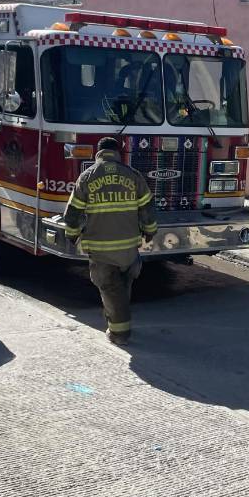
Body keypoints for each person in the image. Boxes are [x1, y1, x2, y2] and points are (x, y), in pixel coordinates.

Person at [62, 137, 158, 346]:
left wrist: (71, 235)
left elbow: (73, 214)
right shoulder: (133, 176)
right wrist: (150, 232)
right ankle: (116, 322)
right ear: (117, 153)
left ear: (98, 153)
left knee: (110, 288)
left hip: (101, 249)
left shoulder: (87, 177)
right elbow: (147, 209)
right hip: (129, 250)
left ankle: (119, 333)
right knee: (123, 287)